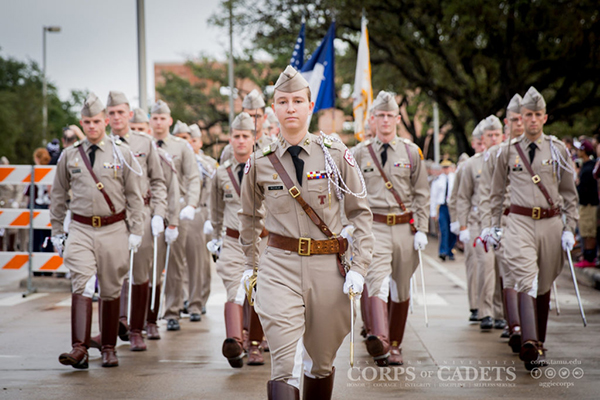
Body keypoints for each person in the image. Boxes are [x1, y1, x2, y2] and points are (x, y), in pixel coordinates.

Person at [239, 66, 374, 399]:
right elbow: (248, 216)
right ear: (274, 109)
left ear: (309, 106)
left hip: (328, 266)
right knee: (284, 363)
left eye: (297, 101)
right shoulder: (259, 161)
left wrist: (359, 268)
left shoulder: (336, 153)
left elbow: (361, 213)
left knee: (321, 362)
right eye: (283, 101)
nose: (290, 108)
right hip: (279, 266)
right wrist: (250, 265)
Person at [50, 93, 144, 369]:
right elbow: (57, 196)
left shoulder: (121, 153)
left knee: (111, 288)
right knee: (82, 282)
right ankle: (79, 348)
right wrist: (57, 231)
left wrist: (136, 229)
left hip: (113, 228)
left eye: (96, 121)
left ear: (105, 122)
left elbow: (134, 196)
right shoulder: (69, 156)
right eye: (87, 122)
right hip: (80, 228)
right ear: (82, 122)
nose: (92, 126)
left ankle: (108, 348)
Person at [487, 87, 578, 370]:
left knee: (545, 280)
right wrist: (492, 226)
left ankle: (539, 339)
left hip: (551, 222)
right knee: (526, 275)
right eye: (528, 115)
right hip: (519, 222)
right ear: (521, 117)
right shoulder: (507, 151)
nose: (533, 120)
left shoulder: (558, 149)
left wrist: (569, 228)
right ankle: (529, 341)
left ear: (545, 117)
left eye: (538, 114)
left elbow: (569, 193)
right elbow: (496, 191)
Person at [352, 90, 430, 367]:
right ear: (372, 119)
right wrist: (350, 227)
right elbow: (350, 194)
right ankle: (381, 340)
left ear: (397, 118)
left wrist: (421, 227)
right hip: (374, 226)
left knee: (401, 288)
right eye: (380, 116)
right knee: (377, 282)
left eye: (390, 116)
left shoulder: (411, 151)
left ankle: (395, 343)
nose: (385, 120)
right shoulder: (358, 153)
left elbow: (421, 193)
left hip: (404, 227)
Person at [99, 91, 169, 351]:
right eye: (112, 113)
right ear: (106, 117)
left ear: (129, 114)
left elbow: (159, 182)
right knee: (111, 274)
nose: (116, 117)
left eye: (121, 112)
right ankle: (113, 326)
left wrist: (159, 214)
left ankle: (137, 329)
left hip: (142, 215)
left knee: (140, 272)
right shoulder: (100, 144)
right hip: (112, 218)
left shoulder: (144, 143)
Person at [210, 112, 268, 367]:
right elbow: (215, 210)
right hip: (233, 241)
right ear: (230, 139)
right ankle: (234, 342)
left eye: (245, 136)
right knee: (234, 289)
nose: (241, 141)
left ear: (254, 138)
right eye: (236, 136)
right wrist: (215, 237)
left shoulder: (266, 167)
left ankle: (254, 344)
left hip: (263, 241)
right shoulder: (220, 174)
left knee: (259, 293)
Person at [478, 94, 525, 351]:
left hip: (534, 220)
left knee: (530, 277)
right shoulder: (498, 154)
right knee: (509, 272)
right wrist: (490, 224)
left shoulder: (546, 148)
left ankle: (529, 328)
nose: (520, 124)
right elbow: (488, 192)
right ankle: (515, 325)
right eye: (516, 119)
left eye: (525, 117)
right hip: (506, 219)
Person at [149, 100, 201, 332]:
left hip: (175, 213)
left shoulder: (181, 147)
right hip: (149, 212)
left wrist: (191, 204)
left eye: (163, 118)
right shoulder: (144, 144)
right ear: (150, 121)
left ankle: (172, 311)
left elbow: (192, 177)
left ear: (169, 120)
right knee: (149, 265)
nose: (159, 122)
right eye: (155, 118)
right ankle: (148, 316)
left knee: (173, 264)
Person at [457, 115, 505, 332]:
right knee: (485, 266)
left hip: (505, 222)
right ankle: (485, 312)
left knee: (501, 268)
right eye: (489, 135)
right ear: (482, 138)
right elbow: (463, 196)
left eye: (497, 134)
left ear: (502, 135)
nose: (494, 138)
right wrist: (463, 225)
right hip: (479, 223)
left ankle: (501, 313)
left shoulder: (511, 157)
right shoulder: (472, 164)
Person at [448, 122, 483, 322]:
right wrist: (458, 223)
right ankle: (476, 306)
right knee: (475, 265)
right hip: (472, 221)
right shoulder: (467, 166)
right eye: (479, 142)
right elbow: (457, 197)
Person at [188, 123, 218, 317]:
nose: (190, 144)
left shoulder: (208, 163)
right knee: (185, 262)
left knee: (201, 262)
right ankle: (188, 299)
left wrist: (212, 217)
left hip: (204, 213)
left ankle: (199, 299)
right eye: (186, 140)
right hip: (186, 213)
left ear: (200, 142)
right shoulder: (179, 160)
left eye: (193, 140)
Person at [219, 89, 273, 163]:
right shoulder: (230, 150)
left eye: (257, 116)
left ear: (265, 118)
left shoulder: (273, 146)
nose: (253, 120)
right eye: (249, 116)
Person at [574, 139, 598, 267]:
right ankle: (586, 255)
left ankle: (589, 258)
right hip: (584, 204)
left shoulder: (590, 167)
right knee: (584, 230)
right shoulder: (585, 165)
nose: (577, 152)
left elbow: (586, 188)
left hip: (589, 204)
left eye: (579, 150)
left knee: (589, 232)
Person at [430, 159, 456, 261]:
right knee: (443, 229)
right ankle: (443, 251)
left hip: (453, 207)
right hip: (442, 207)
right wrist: (432, 212)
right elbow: (433, 197)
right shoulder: (438, 180)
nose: (446, 170)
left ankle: (450, 250)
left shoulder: (455, 179)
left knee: (453, 229)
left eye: (447, 167)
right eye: (444, 167)